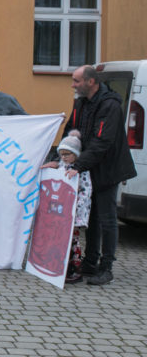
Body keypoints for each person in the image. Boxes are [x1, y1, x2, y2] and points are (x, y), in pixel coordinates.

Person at [60, 65, 136, 285]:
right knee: (91, 217)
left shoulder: (110, 105)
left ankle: (106, 267)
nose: (72, 85)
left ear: (90, 82)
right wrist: (60, 157)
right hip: (89, 167)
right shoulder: (80, 102)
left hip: (108, 169)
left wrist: (79, 164)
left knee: (107, 218)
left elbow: (102, 142)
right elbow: (71, 130)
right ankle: (90, 262)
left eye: (76, 80)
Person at [40, 130, 92, 283]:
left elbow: (86, 191)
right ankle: (58, 266)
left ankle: (75, 269)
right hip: (60, 213)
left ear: (75, 154)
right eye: (61, 154)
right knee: (60, 238)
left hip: (74, 213)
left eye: (67, 154)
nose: (64, 157)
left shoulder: (81, 171)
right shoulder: (62, 166)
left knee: (73, 240)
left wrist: (75, 205)